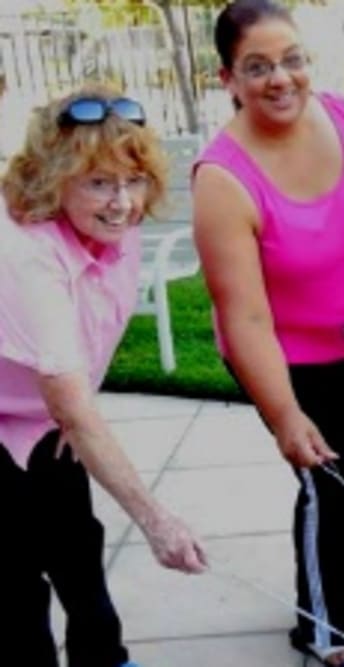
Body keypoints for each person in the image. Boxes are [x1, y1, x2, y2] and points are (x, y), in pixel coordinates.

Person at [192, 1, 344, 663]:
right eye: (258, 66)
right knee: (327, 484)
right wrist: (283, 414)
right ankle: (325, 627)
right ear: (228, 79)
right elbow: (243, 316)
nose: (281, 78)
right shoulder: (222, 178)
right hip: (284, 353)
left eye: (292, 58)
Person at [0, 85, 207, 667]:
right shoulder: (25, 253)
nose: (122, 202)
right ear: (53, 175)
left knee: (76, 545)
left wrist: (73, 410)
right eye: (98, 181)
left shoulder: (117, 228)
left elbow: (83, 358)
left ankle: (105, 659)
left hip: (38, 414)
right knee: (14, 581)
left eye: (133, 180)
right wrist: (156, 519)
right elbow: (68, 401)